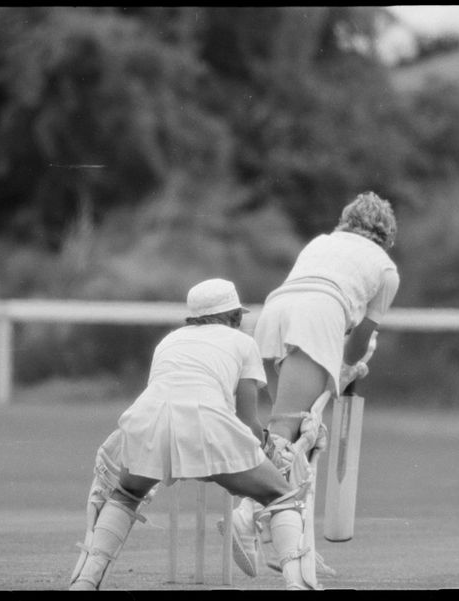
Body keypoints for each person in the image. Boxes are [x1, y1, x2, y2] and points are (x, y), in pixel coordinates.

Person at [69, 278, 321, 590]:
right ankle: (297, 584)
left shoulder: (169, 341)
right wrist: (272, 449)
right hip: (208, 424)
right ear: (235, 316)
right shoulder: (243, 342)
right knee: (281, 496)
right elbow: (247, 423)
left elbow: (168, 396)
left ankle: (86, 581)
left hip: (146, 422)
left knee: (126, 494)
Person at [224, 191, 399, 579]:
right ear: (387, 235)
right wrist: (349, 368)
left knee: (295, 434)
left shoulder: (322, 241)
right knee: (290, 431)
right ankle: (246, 515)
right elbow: (359, 339)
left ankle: (290, 540)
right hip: (317, 317)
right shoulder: (386, 269)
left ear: (346, 220)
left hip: (274, 314)